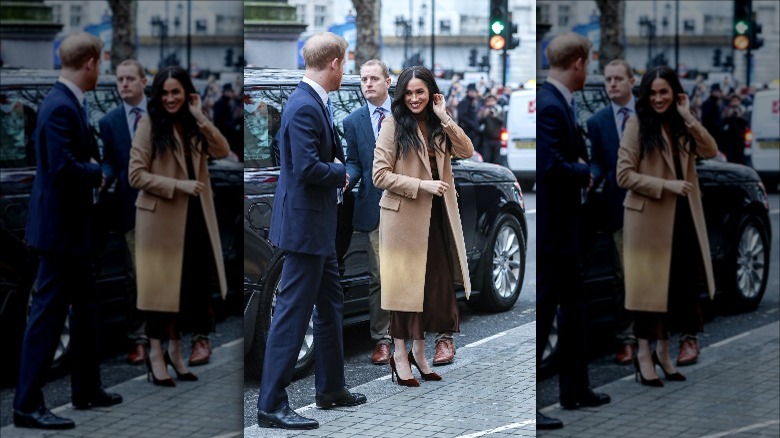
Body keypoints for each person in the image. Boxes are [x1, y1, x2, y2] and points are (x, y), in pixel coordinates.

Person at [256, 32, 366, 430]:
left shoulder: (312, 100)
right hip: (305, 229)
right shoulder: (304, 105)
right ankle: (270, 405)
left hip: (317, 227)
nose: (346, 69)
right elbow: (306, 168)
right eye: (346, 63)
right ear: (335, 63)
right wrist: (343, 173)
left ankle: (331, 388)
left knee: (331, 306)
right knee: (291, 314)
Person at [14, 32, 122, 430]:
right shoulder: (60, 106)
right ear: (91, 63)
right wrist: (101, 172)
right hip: (60, 235)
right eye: (102, 62)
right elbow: (62, 170)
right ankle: (26, 405)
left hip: (74, 232)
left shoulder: (67, 101)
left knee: (86, 311)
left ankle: (87, 390)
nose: (103, 69)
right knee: (46, 319)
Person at [372, 66, 474, 387]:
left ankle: (419, 353)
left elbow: (467, 150)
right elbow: (380, 175)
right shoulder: (392, 124)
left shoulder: (438, 125)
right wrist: (422, 185)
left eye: (421, 92)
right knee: (404, 293)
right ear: (401, 95)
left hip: (436, 218)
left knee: (430, 289)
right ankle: (399, 356)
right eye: (409, 93)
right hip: (403, 220)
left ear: (431, 93)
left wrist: (445, 116)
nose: (415, 99)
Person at [128, 66, 230, 388]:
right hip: (160, 219)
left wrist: (200, 116)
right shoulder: (149, 124)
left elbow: (223, 150)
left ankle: (175, 351)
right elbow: (136, 175)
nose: (170, 98)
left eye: (176, 92)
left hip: (194, 217)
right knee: (160, 292)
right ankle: (155, 354)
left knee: (187, 290)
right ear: (157, 95)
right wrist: (179, 186)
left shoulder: (192, 125)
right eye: (165, 93)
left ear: (187, 93)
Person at [617, 66, 718, 387]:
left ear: (675, 93)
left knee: (673, 291)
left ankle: (663, 352)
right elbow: (624, 175)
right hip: (648, 220)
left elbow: (710, 150)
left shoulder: (681, 125)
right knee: (648, 294)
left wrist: (688, 116)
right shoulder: (637, 124)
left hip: (682, 218)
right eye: (653, 93)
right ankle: (644, 355)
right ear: (645, 95)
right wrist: (667, 185)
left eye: (665, 92)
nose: (659, 98)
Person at [536, 32, 609, 430]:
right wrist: (587, 173)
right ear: (579, 62)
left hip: (567, 231)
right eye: (589, 63)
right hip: (554, 233)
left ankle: (575, 389)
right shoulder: (549, 105)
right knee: (547, 313)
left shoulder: (560, 101)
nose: (590, 69)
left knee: (574, 309)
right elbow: (550, 168)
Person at [586, 59, 637, 365]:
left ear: (632, 81)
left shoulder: (649, 115)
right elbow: (600, 164)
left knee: (657, 273)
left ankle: (655, 335)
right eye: (609, 79)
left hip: (656, 209)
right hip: (621, 210)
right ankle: (627, 339)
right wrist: (590, 175)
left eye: (619, 78)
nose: (613, 84)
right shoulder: (598, 121)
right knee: (624, 276)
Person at [99, 59, 149, 366]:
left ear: (144, 81)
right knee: (136, 276)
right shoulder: (110, 121)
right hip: (133, 210)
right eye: (120, 79)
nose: (124, 84)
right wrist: (103, 175)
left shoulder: (163, 115)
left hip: (167, 209)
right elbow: (111, 162)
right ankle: (139, 339)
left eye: (130, 78)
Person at [343, 59, 393, 365]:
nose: (368, 84)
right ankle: (382, 339)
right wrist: (345, 178)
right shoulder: (353, 121)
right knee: (379, 275)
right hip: (375, 209)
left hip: (408, 206)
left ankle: (414, 333)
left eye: (374, 78)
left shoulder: (405, 115)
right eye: (363, 79)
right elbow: (356, 163)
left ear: (388, 81)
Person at [720, 93, 749, 164]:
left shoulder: (743, 109)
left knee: (739, 156)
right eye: (733, 101)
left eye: (736, 100)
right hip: (729, 138)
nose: (735, 102)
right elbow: (722, 122)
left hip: (740, 137)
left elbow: (746, 122)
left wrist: (739, 116)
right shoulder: (726, 110)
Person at [477, 94, 505, 164]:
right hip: (486, 139)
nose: (490, 103)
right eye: (488, 101)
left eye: (492, 100)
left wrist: (496, 116)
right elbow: (478, 123)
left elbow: (502, 122)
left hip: (497, 139)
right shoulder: (483, 110)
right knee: (486, 159)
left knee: (496, 160)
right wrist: (484, 115)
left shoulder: (499, 110)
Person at [457, 83, 483, 156]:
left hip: (473, 132)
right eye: (472, 91)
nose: (474, 93)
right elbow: (461, 117)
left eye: (475, 92)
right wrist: (473, 124)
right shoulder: (464, 102)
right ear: (468, 92)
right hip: (467, 132)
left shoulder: (473, 102)